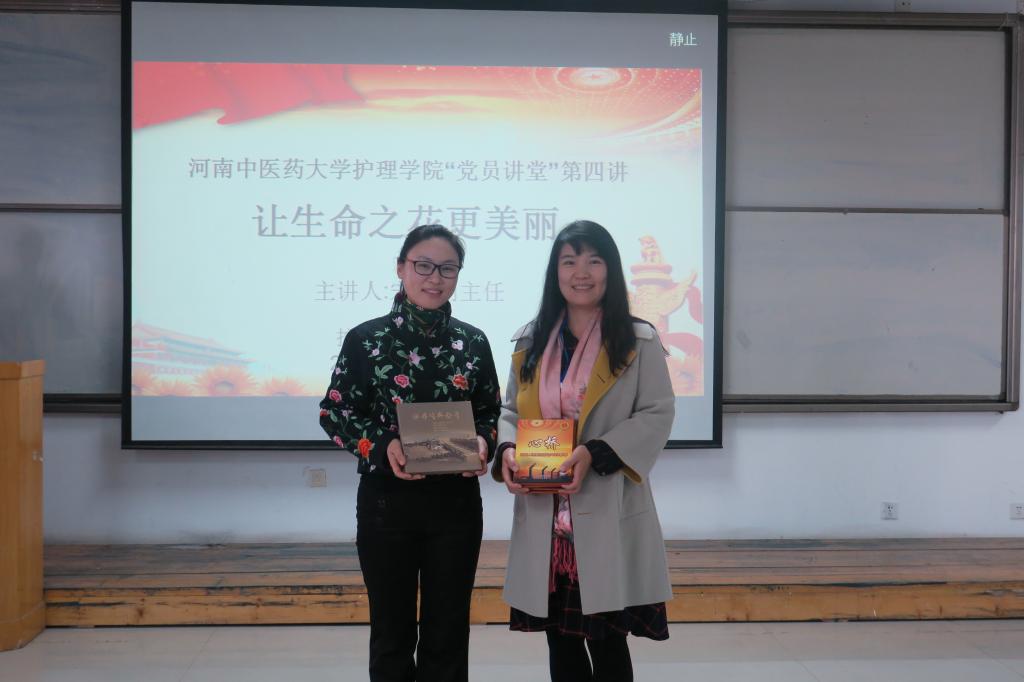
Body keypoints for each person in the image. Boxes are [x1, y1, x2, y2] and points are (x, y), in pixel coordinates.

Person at [492, 219, 675, 682]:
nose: (581, 272)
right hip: (546, 517)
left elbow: (657, 413)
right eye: (569, 261)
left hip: (606, 509)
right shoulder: (531, 340)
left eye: (594, 261)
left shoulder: (637, 340)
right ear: (555, 272)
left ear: (610, 269)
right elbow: (509, 409)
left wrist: (595, 452)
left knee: (608, 639)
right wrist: (508, 448)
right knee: (561, 640)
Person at [320, 224, 501, 682]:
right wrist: (385, 446)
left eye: (447, 268)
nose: (434, 278)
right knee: (391, 631)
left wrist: (484, 440)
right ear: (401, 268)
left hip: (456, 506)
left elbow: (490, 412)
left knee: (448, 632)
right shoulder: (366, 339)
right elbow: (335, 412)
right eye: (423, 265)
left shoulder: (474, 342)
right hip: (387, 504)